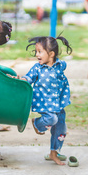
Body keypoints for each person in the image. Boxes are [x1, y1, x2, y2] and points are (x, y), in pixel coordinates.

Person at [21, 36, 73, 166]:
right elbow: (28, 78)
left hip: (58, 103)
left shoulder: (60, 66)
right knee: (52, 120)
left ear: (51, 54)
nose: (37, 55)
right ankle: (37, 123)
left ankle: (54, 152)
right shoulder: (37, 68)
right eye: (36, 52)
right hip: (44, 103)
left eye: (40, 51)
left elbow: (63, 70)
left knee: (61, 129)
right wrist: (21, 80)